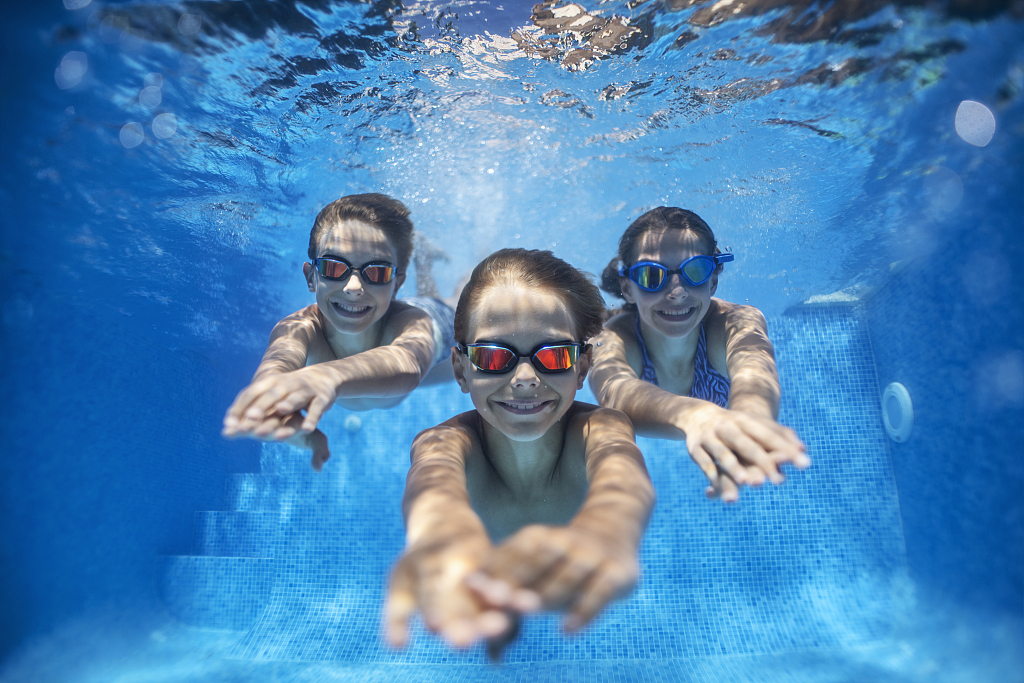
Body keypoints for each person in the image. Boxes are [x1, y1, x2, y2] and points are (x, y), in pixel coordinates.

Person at [385, 248, 655, 657]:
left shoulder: (599, 428)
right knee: (443, 308)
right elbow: (433, 485)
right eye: (494, 357)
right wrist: (438, 534)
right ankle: (427, 262)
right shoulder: (445, 443)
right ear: (461, 371)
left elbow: (623, 476)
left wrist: (609, 530)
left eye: (554, 355)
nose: (526, 379)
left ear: (582, 369)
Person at [221, 193, 458, 471]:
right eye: (334, 267)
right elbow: (275, 372)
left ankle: (427, 260)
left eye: (378, 272)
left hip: (439, 340)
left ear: (396, 284)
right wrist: (275, 409)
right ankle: (424, 258)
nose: (353, 287)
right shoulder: (299, 329)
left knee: (461, 300)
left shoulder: (411, 323)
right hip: (386, 368)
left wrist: (328, 375)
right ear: (311, 277)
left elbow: (407, 365)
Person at [589, 207, 810, 502]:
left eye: (695, 271)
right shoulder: (612, 338)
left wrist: (750, 423)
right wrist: (695, 416)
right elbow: (616, 394)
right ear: (628, 288)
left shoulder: (736, 322)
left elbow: (755, 370)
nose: (677, 292)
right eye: (651, 276)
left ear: (713, 281)